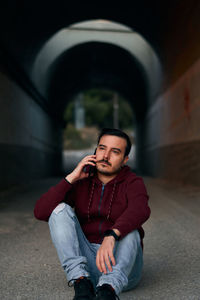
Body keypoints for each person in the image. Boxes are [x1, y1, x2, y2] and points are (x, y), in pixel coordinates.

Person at [34, 128, 150, 300]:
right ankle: (81, 282)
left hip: (122, 268)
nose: (105, 156)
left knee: (130, 230)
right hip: (88, 264)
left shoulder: (133, 182)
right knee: (60, 210)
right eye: (102, 148)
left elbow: (141, 209)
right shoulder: (82, 180)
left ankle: (108, 290)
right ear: (96, 151)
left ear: (125, 159)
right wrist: (71, 177)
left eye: (115, 152)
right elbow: (41, 211)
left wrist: (112, 235)